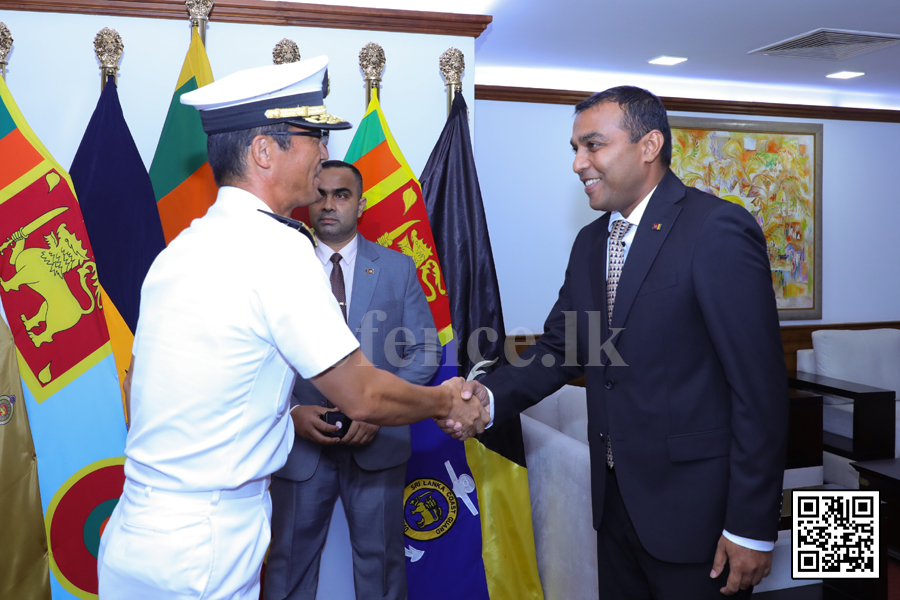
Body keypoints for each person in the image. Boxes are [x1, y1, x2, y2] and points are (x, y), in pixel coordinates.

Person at [97, 57, 487, 600]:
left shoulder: (181, 248)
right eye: (312, 136)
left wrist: (286, 420)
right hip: (205, 542)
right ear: (264, 151)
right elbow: (364, 395)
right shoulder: (280, 248)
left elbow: (154, 390)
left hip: (137, 528)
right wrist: (446, 402)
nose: (324, 153)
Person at [451, 86, 788, 598]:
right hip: (614, 509)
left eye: (592, 146)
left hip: (697, 518)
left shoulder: (715, 228)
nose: (578, 163)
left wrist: (751, 527)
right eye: (575, 149)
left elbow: (759, 392)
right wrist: (488, 398)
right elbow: (562, 349)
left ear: (649, 145)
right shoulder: (592, 243)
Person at [265, 160, 439, 600]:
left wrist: (378, 406)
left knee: (381, 565)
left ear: (360, 204)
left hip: (378, 444)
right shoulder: (279, 269)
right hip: (301, 444)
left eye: (341, 195)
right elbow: (258, 357)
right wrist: (291, 413)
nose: (329, 204)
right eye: (320, 194)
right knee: (286, 563)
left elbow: (426, 351)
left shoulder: (397, 269)